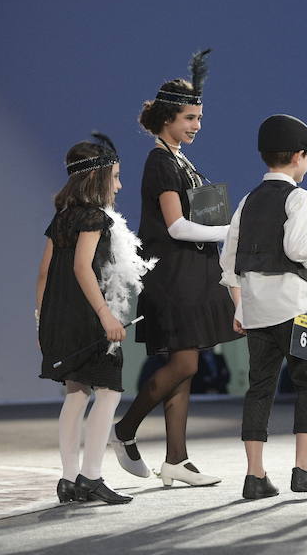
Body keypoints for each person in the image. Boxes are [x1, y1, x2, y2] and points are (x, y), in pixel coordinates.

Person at [109, 50, 242, 487]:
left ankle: (176, 460)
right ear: (167, 117)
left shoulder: (180, 159)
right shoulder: (161, 161)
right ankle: (125, 429)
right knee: (184, 366)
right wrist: (229, 229)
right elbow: (177, 225)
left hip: (191, 273)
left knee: (186, 364)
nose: (197, 126)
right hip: (174, 276)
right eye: (190, 118)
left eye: (200, 118)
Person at [220, 114, 307, 499]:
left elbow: (229, 262)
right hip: (297, 311)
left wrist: (239, 309)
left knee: (259, 388)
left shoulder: (248, 201)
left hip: (256, 312)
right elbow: (297, 249)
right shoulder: (299, 197)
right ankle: (303, 471)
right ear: (298, 156)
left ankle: (255, 476)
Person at [37, 133, 154, 504]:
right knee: (108, 392)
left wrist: (42, 319)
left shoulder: (62, 218)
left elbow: (43, 274)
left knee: (75, 394)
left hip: (58, 317)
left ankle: (69, 479)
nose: (119, 185)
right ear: (97, 178)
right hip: (89, 317)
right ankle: (91, 476)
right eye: (115, 177)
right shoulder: (94, 217)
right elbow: (82, 267)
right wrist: (106, 315)